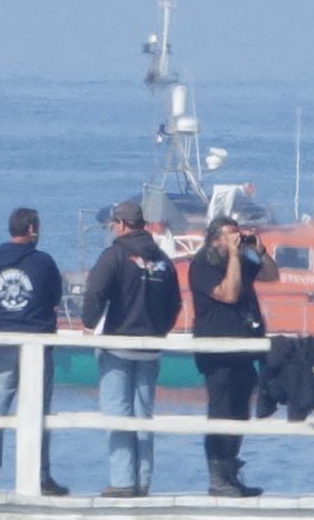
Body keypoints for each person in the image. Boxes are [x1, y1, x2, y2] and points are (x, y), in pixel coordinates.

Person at [81, 200, 180, 497]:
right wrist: (159, 331)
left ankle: (123, 481)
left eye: (113, 223)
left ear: (121, 224)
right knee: (143, 415)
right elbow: (175, 303)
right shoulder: (163, 259)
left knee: (118, 413)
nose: (112, 228)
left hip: (118, 345)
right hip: (150, 347)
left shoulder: (115, 255)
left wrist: (89, 326)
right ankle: (143, 480)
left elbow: (95, 292)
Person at [0, 207, 69, 496]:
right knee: (39, 413)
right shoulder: (43, 261)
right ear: (31, 229)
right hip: (38, 344)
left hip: (4, 339)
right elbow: (54, 295)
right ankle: (40, 476)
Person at [189, 215, 278, 497]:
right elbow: (228, 293)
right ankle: (218, 477)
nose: (237, 239)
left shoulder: (239, 259)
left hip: (243, 350)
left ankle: (231, 473)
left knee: (240, 412)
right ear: (215, 239)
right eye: (231, 235)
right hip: (216, 352)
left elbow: (270, 275)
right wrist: (235, 259)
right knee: (221, 410)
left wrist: (259, 251)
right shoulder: (202, 265)